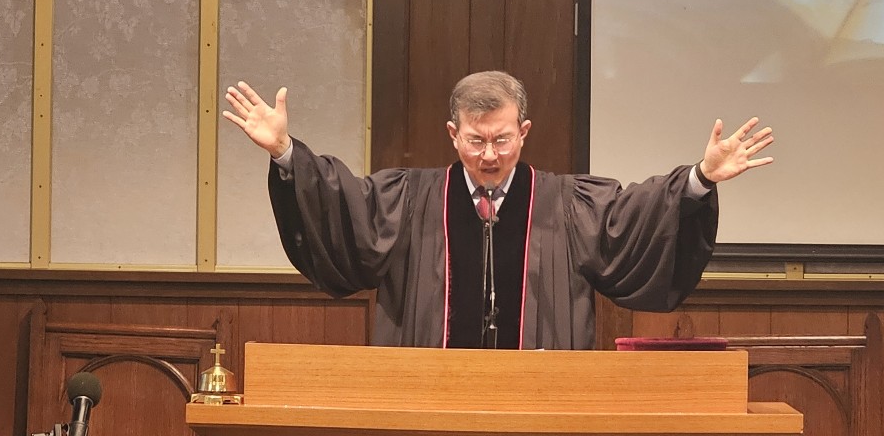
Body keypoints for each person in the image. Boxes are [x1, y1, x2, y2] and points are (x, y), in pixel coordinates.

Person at [223, 71, 773, 350]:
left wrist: (700, 179)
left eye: (503, 139)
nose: (490, 155)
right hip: (429, 406)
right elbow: (343, 210)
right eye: (476, 140)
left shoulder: (568, 203)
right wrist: (285, 152)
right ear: (453, 133)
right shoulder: (408, 199)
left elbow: (633, 221)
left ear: (524, 131)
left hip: (541, 408)